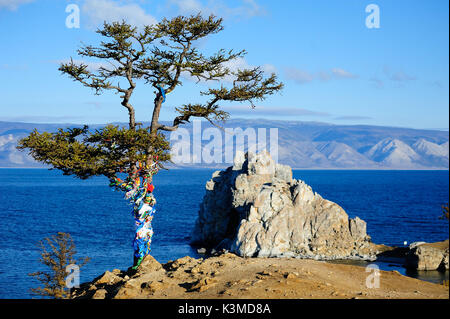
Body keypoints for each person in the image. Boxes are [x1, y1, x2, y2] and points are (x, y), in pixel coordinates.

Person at [110, 162, 158, 270]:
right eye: (148, 197)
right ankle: (140, 262)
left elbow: (140, 200)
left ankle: (139, 263)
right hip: (146, 228)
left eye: (149, 198)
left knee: (141, 244)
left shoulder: (143, 206)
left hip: (143, 229)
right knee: (142, 244)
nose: (149, 199)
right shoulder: (150, 207)